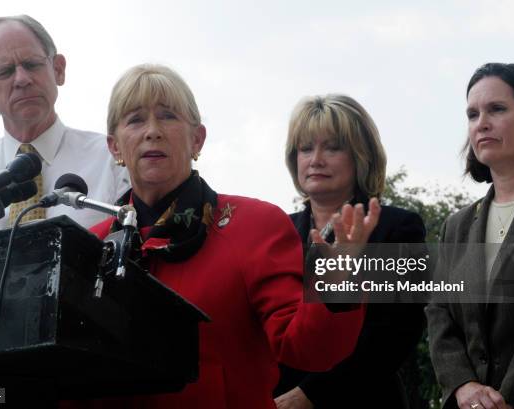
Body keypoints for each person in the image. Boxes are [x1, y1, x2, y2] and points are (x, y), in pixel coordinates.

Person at [78, 64, 373, 409]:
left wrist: (336, 287)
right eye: (135, 120)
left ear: (197, 139)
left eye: (169, 116)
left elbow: (308, 350)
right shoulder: (89, 246)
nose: (153, 131)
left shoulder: (256, 225)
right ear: (114, 147)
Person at [274, 94, 426, 409]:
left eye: (332, 147)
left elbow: (392, 335)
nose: (315, 159)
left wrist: (310, 396)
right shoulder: (277, 233)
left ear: (360, 155)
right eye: (305, 148)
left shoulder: (397, 228)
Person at [426, 63, 514, 409]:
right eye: (472, 114)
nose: (481, 123)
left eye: (496, 109)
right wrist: (464, 385)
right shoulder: (458, 226)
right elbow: (439, 313)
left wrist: (507, 398)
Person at [0, 15, 129, 230]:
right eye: (5, 71)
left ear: (58, 70)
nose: (22, 79)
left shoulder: (113, 162)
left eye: (32, 64)